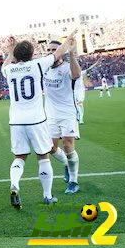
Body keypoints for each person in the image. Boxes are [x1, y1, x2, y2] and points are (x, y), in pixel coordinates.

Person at [1, 31, 77, 210]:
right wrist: (69, 38)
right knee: (43, 157)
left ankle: (14, 185)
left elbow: (6, 63)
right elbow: (59, 53)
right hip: (36, 120)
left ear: (16, 56)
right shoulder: (37, 65)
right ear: (32, 54)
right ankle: (47, 196)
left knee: (19, 157)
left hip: (16, 121)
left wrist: (10, 50)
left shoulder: (9, 70)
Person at [43, 40, 82, 195]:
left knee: (67, 145)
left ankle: (73, 181)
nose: (52, 52)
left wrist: (72, 53)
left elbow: (77, 74)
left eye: (55, 49)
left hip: (67, 112)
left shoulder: (67, 67)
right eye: (49, 49)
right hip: (50, 114)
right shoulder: (44, 67)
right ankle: (67, 164)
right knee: (51, 148)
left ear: (61, 51)